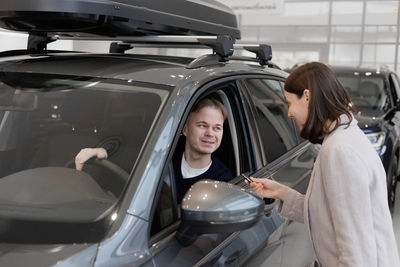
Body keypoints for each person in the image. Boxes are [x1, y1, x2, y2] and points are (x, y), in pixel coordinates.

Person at [247, 62, 399, 267]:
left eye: (290, 102)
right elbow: (328, 213)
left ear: (307, 97)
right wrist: (281, 192)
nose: (289, 113)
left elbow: (356, 249)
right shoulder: (344, 137)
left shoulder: (340, 151)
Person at [75, 97, 232, 203]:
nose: (210, 133)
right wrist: (102, 151)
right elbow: (132, 156)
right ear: (185, 130)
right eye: (202, 125)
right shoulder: (164, 155)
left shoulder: (222, 179)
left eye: (217, 128)